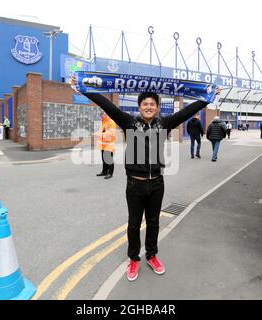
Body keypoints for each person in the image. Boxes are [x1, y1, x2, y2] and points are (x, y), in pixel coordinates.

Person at [71, 75, 220, 281]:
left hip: (157, 184)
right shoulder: (129, 122)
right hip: (134, 185)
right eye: (145, 104)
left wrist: (206, 99)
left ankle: (151, 255)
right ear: (139, 107)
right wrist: (85, 89)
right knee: (134, 224)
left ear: (157, 108)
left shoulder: (165, 124)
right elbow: (107, 105)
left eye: (152, 104)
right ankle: (134, 259)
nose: (149, 107)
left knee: (153, 223)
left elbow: (187, 112)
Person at [96, 112, 116, 179]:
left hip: (109, 145)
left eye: (102, 116)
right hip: (103, 145)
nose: (101, 117)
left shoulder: (111, 122)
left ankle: (110, 173)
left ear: (106, 115)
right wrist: (99, 133)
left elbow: (111, 133)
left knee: (108, 160)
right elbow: (99, 131)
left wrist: (101, 134)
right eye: (101, 116)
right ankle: (104, 172)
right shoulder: (102, 122)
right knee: (104, 159)